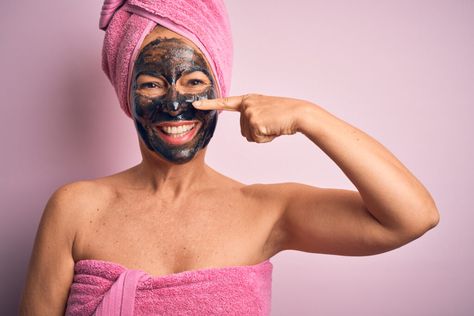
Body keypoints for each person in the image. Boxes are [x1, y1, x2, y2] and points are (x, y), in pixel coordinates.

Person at [19, 0, 439, 315]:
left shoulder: (266, 211)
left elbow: (412, 217)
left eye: (194, 81)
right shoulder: (74, 207)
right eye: (149, 85)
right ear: (125, 94)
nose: (174, 105)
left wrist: (311, 117)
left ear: (218, 90)